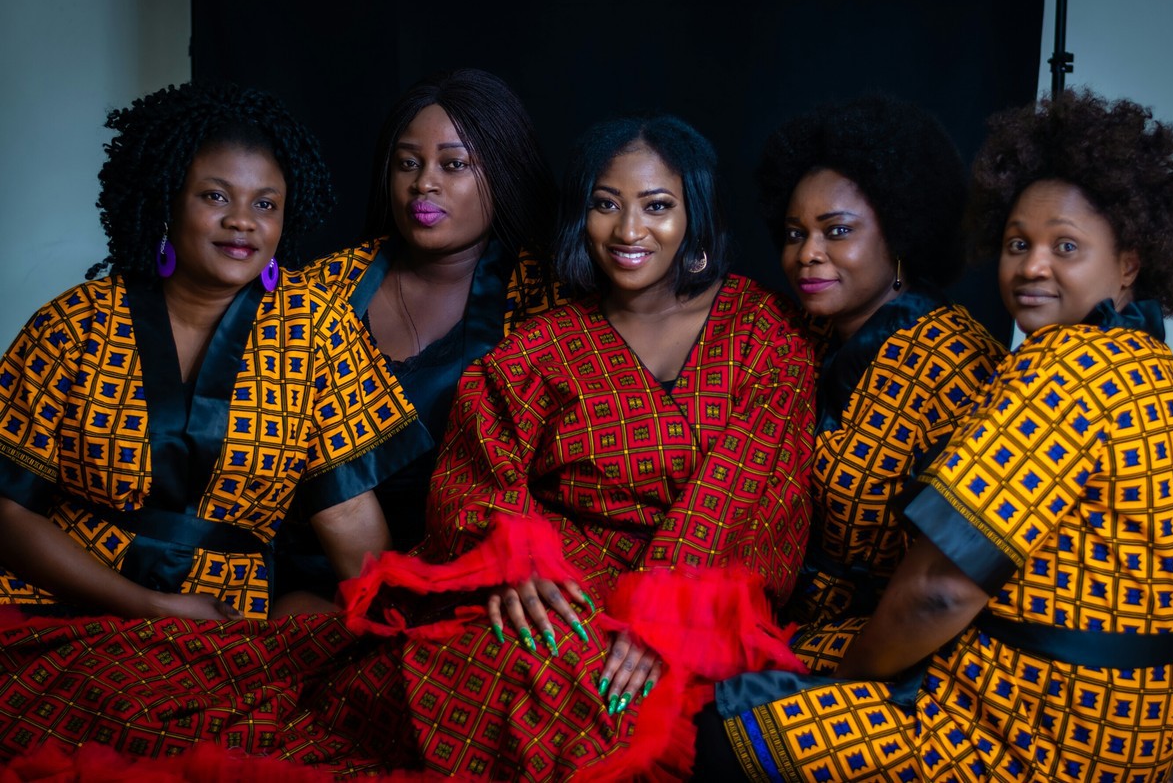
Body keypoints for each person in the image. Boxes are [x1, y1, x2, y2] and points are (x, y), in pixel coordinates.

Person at [0, 114, 817, 778]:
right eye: (608, 204)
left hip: (697, 588)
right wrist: (511, 564)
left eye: (657, 206)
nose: (629, 228)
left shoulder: (760, 329)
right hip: (551, 585)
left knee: (555, 691)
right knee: (475, 670)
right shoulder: (536, 346)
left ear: (694, 214)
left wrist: (660, 614)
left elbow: (747, 482)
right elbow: (479, 480)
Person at [708, 90, 1173, 781]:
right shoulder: (1147, 362)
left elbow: (941, 589)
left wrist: (838, 691)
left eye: (1065, 246)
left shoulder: (1066, 366)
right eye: (1017, 244)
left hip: (1025, 730)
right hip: (1117, 726)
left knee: (722, 728)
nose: (1032, 266)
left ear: (1130, 262)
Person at [0, 83, 429, 621]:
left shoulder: (316, 327)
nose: (242, 221)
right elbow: (8, 513)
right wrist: (152, 606)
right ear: (168, 199)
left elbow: (345, 510)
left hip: (225, 626)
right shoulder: (73, 324)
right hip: (58, 607)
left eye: (265, 204)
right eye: (216, 196)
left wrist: (399, 627)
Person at [761, 96, 1005, 637]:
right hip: (782, 613)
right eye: (796, 233)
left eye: (837, 231)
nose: (807, 254)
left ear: (898, 234)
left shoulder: (961, 365)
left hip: (889, 639)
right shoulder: (796, 335)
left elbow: (950, 580)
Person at [292, 68, 560, 556]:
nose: (424, 184)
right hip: (317, 559)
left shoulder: (544, 295)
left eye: (453, 165)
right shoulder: (322, 287)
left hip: (480, 561)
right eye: (408, 163)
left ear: (503, 173)